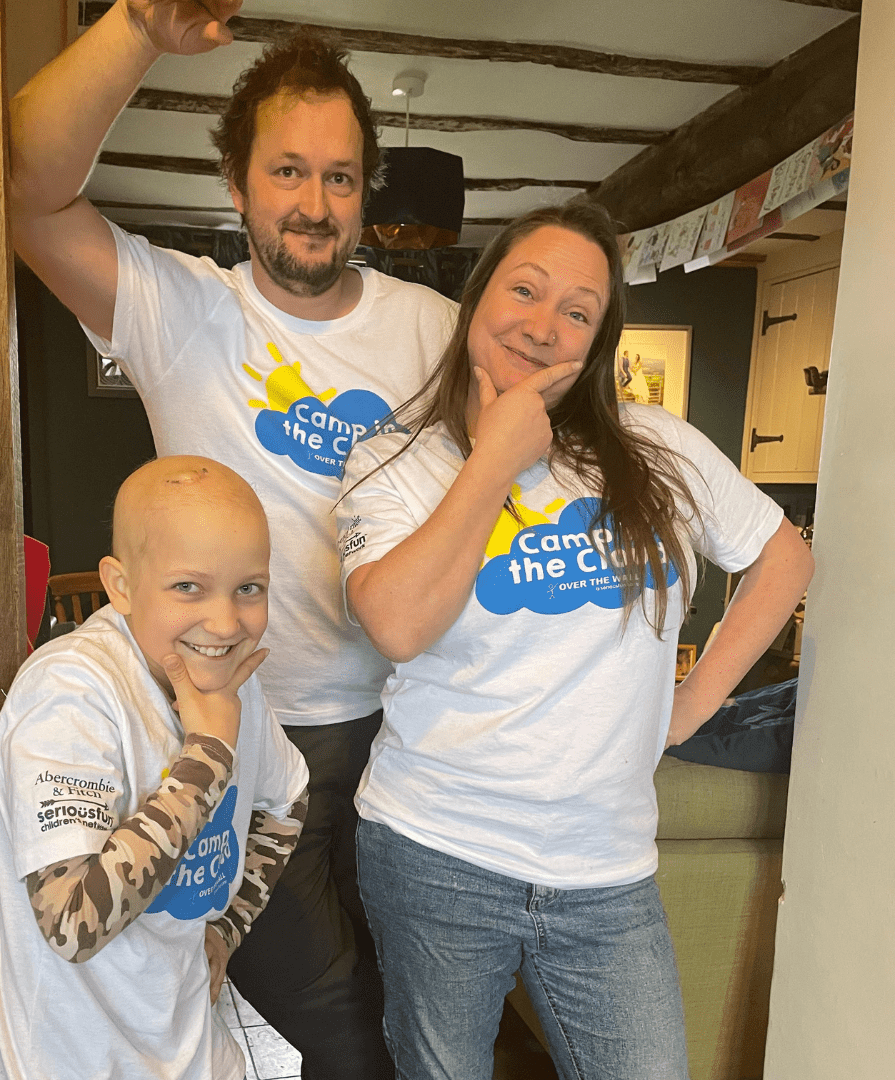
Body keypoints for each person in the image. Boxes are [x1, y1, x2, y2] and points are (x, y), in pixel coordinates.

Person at [8, 2, 455, 1074]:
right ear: (239, 183)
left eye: (340, 177)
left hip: (403, 739)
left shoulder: (430, 332)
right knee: (335, 1022)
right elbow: (25, 193)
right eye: (288, 172)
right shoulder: (182, 306)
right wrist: (136, 31)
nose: (315, 203)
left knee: (409, 999)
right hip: (246, 735)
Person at [335, 200, 815, 1080]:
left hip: (608, 870)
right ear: (479, 298)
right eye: (525, 289)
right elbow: (398, 623)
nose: (544, 324)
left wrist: (691, 705)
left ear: (597, 343)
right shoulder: (393, 459)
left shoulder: (656, 446)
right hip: (436, 852)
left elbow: (784, 559)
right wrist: (494, 457)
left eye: (579, 311)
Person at [0, 456, 309, 1080]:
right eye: (188, 586)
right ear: (122, 584)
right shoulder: (69, 692)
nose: (225, 622)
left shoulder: (231, 680)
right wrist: (209, 754)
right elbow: (72, 922)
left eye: (250, 587)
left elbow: (288, 799)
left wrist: (228, 928)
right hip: (73, 1063)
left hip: (196, 1050)